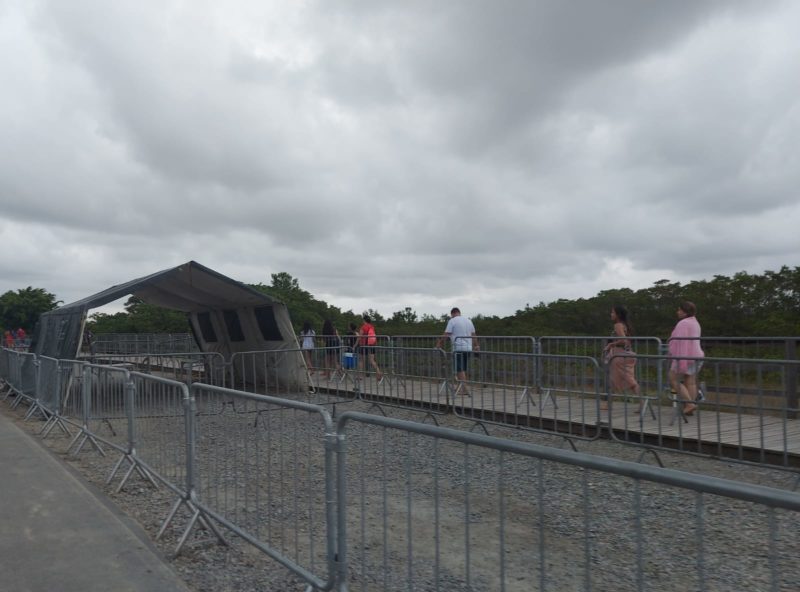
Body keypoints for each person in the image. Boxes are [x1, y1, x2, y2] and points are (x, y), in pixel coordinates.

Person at [601, 305, 641, 411]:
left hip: (620, 356)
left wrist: (612, 344)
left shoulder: (618, 325)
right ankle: (608, 404)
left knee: (630, 381)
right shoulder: (625, 325)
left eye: (613, 312)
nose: (611, 314)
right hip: (625, 354)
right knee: (614, 380)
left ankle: (643, 403)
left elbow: (624, 340)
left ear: (618, 315)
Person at [668, 301, 704, 416]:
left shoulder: (683, 323)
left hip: (685, 355)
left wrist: (679, 358)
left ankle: (689, 404)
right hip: (696, 355)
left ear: (685, 312)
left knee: (673, 379)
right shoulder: (695, 322)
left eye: (679, 310)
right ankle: (690, 408)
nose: (677, 312)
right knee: (691, 382)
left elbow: (681, 342)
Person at [436, 307, 479, 396]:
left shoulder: (452, 321)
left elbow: (447, 333)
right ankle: (460, 387)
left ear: (452, 314)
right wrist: (476, 345)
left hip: (458, 347)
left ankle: (465, 389)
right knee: (463, 368)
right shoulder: (468, 321)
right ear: (459, 312)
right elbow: (473, 334)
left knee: (459, 369)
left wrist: (439, 343)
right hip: (468, 347)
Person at [358, 314, 383, 382]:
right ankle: (379, 372)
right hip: (372, 344)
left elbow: (360, 336)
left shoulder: (363, 327)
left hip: (364, 345)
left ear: (364, 320)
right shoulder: (372, 326)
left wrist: (355, 344)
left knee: (361, 360)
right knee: (372, 360)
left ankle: (360, 376)